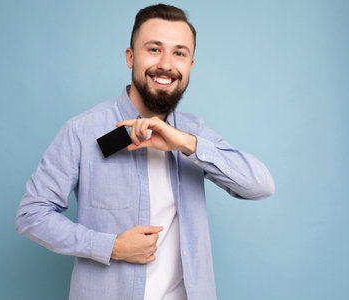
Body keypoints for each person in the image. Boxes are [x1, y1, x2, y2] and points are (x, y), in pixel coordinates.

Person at [15, 3, 274, 300]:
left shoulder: (193, 133)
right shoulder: (83, 132)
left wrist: (186, 144)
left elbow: (261, 186)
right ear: (130, 57)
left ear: (190, 65)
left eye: (179, 53)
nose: (166, 64)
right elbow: (31, 215)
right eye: (154, 49)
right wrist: (110, 246)